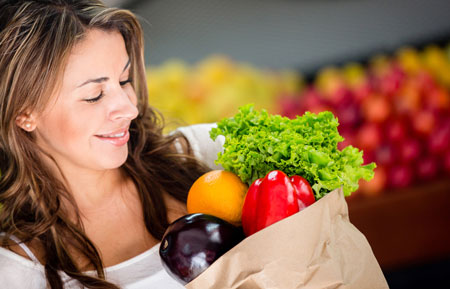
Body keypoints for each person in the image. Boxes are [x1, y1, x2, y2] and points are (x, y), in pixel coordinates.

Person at [0, 0, 223, 288]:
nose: (130, 109)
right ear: (24, 112)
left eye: (125, 80)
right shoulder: (15, 274)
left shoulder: (206, 156)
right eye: (94, 95)